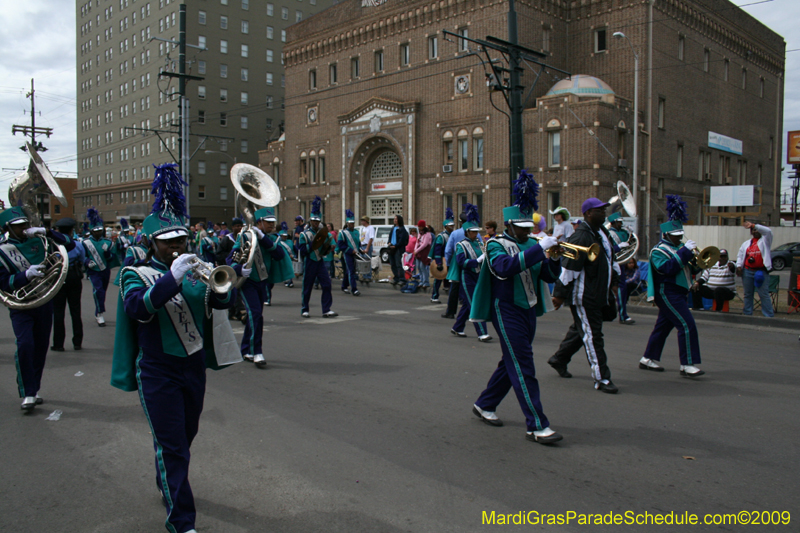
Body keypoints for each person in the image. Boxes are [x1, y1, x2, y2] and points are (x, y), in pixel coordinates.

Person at [111, 163, 237, 533]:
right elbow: (138, 308)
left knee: (183, 439)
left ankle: (166, 480)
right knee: (174, 448)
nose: (177, 247)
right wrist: (173, 276)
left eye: (181, 241)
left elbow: (218, 309)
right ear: (154, 244)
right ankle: (181, 521)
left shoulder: (194, 268)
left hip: (192, 367)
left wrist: (220, 291)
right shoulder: (135, 273)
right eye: (169, 242)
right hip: (157, 369)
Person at [470, 170, 563, 444]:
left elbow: (548, 276)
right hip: (506, 309)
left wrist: (553, 256)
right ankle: (537, 424)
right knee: (524, 365)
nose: (526, 230)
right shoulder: (496, 244)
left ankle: (485, 404)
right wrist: (537, 250)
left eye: (529, 226)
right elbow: (503, 269)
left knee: (511, 361)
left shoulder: (534, 243)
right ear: (509, 225)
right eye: (521, 226)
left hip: (528, 309)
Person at [0, 207, 74, 411]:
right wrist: (25, 276)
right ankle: (28, 392)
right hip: (21, 304)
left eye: (25, 224)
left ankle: (34, 389)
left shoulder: (41, 241)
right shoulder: (2, 250)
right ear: (8, 228)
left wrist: (47, 232)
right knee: (25, 345)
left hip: (44, 299)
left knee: (40, 347)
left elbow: (70, 244)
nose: (24, 229)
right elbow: (2, 282)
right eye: (18, 226)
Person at [549, 197, 620, 394]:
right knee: (592, 335)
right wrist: (560, 294)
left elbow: (610, 257)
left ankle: (559, 359)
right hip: (584, 296)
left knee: (583, 329)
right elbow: (568, 268)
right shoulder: (581, 237)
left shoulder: (601, 232)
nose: (604, 213)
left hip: (598, 293)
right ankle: (602, 378)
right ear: (588, 213)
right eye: (599, 210)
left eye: (604, 209)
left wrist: (614, 281)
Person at [640, 195, 705, 377]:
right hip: (667, 292)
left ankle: (648, 358)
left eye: (679, 236)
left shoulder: (679, 248)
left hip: (679, 292)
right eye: (674, 236)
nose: (678, 239)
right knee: (686, 325)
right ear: (665, 235)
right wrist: (684, 253)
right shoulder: (658, 250)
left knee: (663, 327)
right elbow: (666, 269)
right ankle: (687, 364)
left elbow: (687, 269)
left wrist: (697, 262)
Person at [228, 207, 291, 366]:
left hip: (262, 281)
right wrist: (239, 269)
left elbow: (279, 255)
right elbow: (230, 259)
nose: (271, 225)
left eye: (273, 223)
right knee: (255, 314)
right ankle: (257, 351)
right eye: (268, 223)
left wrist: (262, 237)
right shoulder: (245, 236)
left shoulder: (272, 238)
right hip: (247, 282)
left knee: (253, 316)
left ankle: (245, 349)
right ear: (259, 222)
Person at [449, 206, 490, 341]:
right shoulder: (461, 245)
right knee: (475, 304)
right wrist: (477, 261)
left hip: (478, 276)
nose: (475, 234)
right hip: (467, 278)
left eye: (476, 231)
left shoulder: (478, 243)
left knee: (468, 305)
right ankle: (482, 332)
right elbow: (461, 262)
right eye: (473, 232)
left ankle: (457, 327)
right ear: (467, 232)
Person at [298, 197, 337, 318]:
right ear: (310, 221)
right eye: (314, 221)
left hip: (320, 261)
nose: (316, 223)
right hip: (310, 261)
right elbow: (303, 250)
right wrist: (313, 243)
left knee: (326, 284)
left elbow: (327, 245)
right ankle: (305, 309)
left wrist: (328, 245)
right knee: (307, 286)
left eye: (317, 221)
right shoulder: (304, 234)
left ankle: (326, 309)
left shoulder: (323, 233)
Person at [51, 218, 85, 352]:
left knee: (58, 311)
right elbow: (82, 259)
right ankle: (77, 342)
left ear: (58, 230)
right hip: (73, 275)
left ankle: (58, 344)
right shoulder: (77, 244)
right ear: (72, 230)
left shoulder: (53, 245)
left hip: (58, 276)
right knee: (76, 310)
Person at [83, 208, 116, 326]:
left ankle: (98, 311)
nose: (98, 232)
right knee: (98, 291)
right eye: (96, 230)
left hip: (105, 270)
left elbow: (112, 259)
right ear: (92, 231)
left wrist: (108, 254)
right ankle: (100, 313)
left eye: (100, 230)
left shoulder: (108, 242)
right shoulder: (85, 243)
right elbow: (82, 256)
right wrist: (87, 262)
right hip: (94, 271)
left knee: (103, 292)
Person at [736, 221, 774, 317]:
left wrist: (754, 225)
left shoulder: (765, 240)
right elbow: (740, 256)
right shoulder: (746, 244)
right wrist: (739, 266)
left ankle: (768, 315)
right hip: (748, 271)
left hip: (761, 271)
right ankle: (747, 314)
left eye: (757, 230)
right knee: (748, 294)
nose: (755, 231)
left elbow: (768, 231)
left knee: (763, 294)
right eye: (753, 230)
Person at [443, 209, 469, 318]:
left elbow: (448, 251)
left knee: (454, 288)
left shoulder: (455, 233)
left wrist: (448, 263)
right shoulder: (475, 233)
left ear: (460, 222)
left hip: (457, 261)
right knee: (469, 287)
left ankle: (451, 312)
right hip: (470, 261)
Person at [429, 209, 454, 303]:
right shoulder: (441, 237)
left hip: (450, 261)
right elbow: (437, 251)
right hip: (442, 261)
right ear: (446, 226)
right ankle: (434, 296)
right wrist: (439, 263)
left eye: (453, 225)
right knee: (438, 279)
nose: (452, 227)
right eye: (451, 226)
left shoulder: (452, 235)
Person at [337, 210, 362, 296]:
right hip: (347, 254)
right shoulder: (343, 233)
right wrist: (351, 251)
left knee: (349, 271)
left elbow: (358, 242)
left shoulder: (356, 232)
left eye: (353, 223)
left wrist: (360, 249)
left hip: (355, 254)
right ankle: (354, 289)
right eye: (350, 223)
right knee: (351, 271)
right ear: (347, 223)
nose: (352, 225)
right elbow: (341, 245)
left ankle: (344, 286)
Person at [387, 214, 409, 286]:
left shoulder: (402, 229)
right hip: (391, 247)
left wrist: (396, 246)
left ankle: (402, 279)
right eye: (394, 219)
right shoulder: (393, 228)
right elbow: (390, 236)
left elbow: (402, 240)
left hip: (398, 249)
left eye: (396, 219)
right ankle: (396, 277)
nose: (395, 220)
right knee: (393, 264)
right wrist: (389, 242)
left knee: (398, 264)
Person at [617, 257, 640, 325]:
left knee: (623, 291)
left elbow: (634, 278)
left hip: (629, 284)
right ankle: (623, 316)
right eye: (629, 263)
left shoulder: (635, 269)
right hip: (615, 264)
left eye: (632, 263)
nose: (631, 264)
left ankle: (623, 316)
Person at [277, 222, 297, 288]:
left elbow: (295, 248)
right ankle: (288, 281)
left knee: (290, 269)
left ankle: (289, 281)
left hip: (291, 258)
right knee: (286, 269)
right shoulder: (279, 243)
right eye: (283, 235)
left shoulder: (290, 241)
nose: (285, 237)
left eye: (285, 235)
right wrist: (288, 255)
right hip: (284, 257)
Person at [415, 221, 432, 289]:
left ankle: (426, 282)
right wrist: (415, 249)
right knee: (419, 267)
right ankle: (421, 281)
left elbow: (424, 244)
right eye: (418, 227)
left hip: (424, 252)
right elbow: (417, 242)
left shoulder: (427, 234)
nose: (419, 228)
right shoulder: (420, 234)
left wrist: (417, 250)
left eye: (420, 226)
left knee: (423, 266)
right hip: (418, 252)